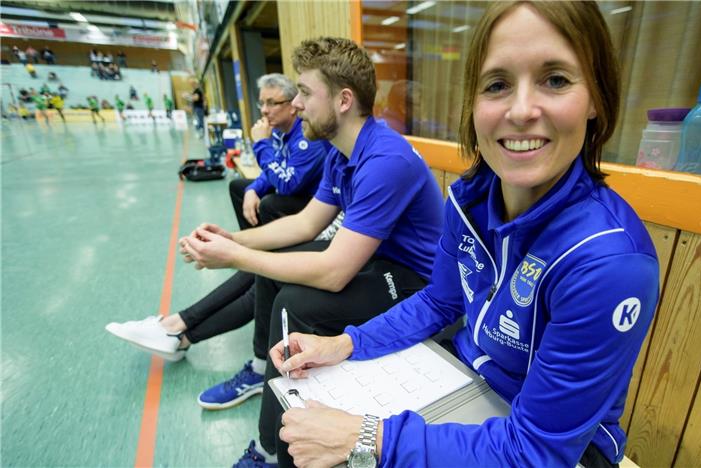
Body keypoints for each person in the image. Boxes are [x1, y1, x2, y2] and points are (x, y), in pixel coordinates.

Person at [269, 3, 660, 468]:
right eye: (497, 85)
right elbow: (439, 302)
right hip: (461, 379)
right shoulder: (469, 199)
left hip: (549, 446)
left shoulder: (610, 263)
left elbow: (535, 451)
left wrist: (368, 436)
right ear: (473, 106)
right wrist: (346, 343)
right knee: (303, 425)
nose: (521, 111)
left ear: (596, 98)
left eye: (555, 79)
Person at [106, 36, 445, 465]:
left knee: (295, 300)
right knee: (275, 270)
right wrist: (233, 239)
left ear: (343, 100)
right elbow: (304, 223)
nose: (296, 103)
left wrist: (233, 256)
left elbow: (334, 272)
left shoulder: (385, 159)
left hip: (416, 283)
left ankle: (272, 452)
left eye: (304, 92)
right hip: (379, 260)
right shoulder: (344, 153)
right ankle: (258, 370)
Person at [229, 73, 329, 230]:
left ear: (291, 107)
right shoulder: (277, 130)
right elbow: (275, 167)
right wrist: (252, 190)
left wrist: (262, 144)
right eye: (261, 103)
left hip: (313, 202)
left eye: (271, 103)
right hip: (291, 187)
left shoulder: (307, 138)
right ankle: (253, 244)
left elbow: (287, 184)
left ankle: (272, 251)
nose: (264, 110)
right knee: (238, 187)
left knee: (270, 203)